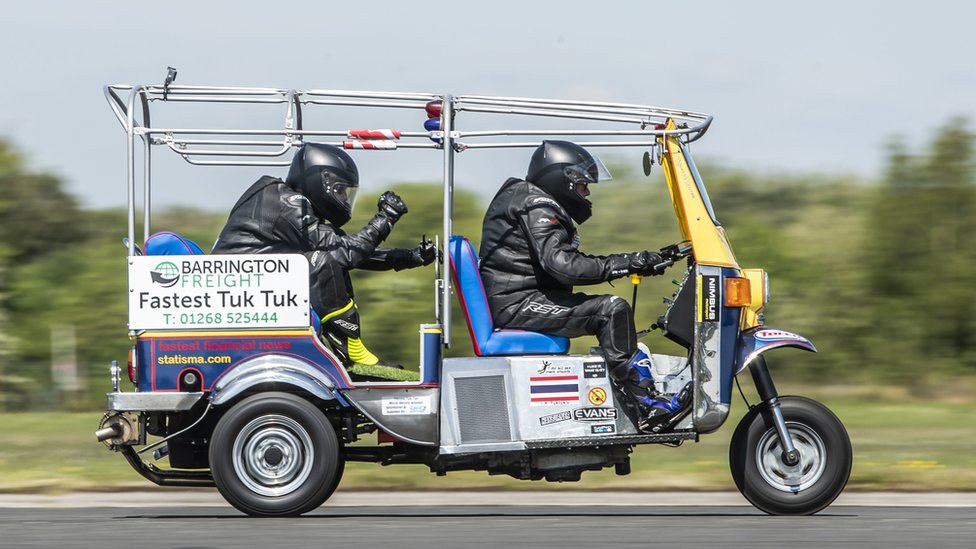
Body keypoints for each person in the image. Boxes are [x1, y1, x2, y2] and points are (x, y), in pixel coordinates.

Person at [478, 140, 690, 431]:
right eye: (582, 185)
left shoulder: (530, 199)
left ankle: (641, 394)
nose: (587, 192)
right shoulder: (537, 205)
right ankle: (649, 408)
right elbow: (562, 266)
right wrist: (627, 262)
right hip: (517, 303)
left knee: (610, 311)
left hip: (522, 297)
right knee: (610, 310)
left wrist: (635, 261)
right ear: (560, 180)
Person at [212, 143, 436, 374]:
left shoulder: (286, 203)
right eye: (340, 190)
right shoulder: (286, 203)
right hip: (238, 292)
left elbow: (346, 252)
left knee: (327, 259)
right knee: (320, 262)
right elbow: (347, 253)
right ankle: (351, 349)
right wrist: (385, 219)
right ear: (323, 181)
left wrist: (409, 257)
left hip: (250, 286)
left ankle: (347, 349)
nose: (344, 199)